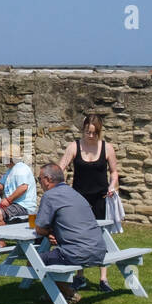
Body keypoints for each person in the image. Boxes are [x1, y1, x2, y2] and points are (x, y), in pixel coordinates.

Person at [59, 114, 120, 291]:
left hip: (101, 197)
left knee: (102, 236)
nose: (90, 136)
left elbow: (114, 172)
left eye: (94, 133)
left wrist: (112, 185)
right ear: (83, 130)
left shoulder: (107, 148)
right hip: (79, 199)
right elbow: (60, 169)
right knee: (78, 236)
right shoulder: (74, 146)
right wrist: (61, 187)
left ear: (99, 132)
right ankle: (80, 276)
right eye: (87, 132)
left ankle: (103, 279)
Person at [34, 163, 109, 304]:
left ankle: (69, 293)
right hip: (99, 250)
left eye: (39, 179)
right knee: (51, 258)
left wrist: (49, 232)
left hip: (78, 253)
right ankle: (54, 294)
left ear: (48, 179)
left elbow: (39, 228)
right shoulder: (75, 193)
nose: (40, 183)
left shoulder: (50, 196)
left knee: (34, 260)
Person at [0, 148, 37, 232]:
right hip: (14, 204)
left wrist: (8, 200)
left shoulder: (21, 169)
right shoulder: (10, 170)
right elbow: (1, 184)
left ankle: (1, 242)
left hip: (24, 206)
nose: (2, 161)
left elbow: (23, 187)